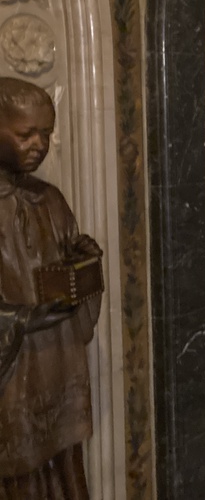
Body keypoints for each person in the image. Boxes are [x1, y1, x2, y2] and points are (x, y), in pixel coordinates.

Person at [0, 77, 101, 499]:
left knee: (66, 466)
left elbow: (71, 267)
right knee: (21, 473)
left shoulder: (51, 199)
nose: (39, 145)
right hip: (15, 373)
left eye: (46, 133)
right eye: (26, 134)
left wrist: (83, 259)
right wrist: (24, 319)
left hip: (59, 360)